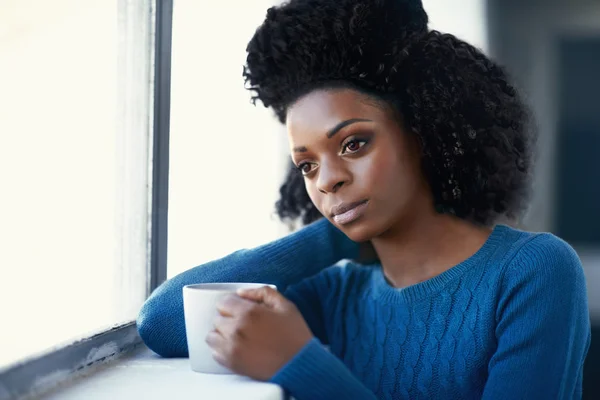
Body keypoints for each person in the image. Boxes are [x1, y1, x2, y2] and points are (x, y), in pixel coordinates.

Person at [136, 0, 591, 398]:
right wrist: (333, 239)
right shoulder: (339, 293)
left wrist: (300, 363)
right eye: (307, 165)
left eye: (354, 144)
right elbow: (164, 321)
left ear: (425, 131)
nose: (327, 181)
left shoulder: (533, 271)